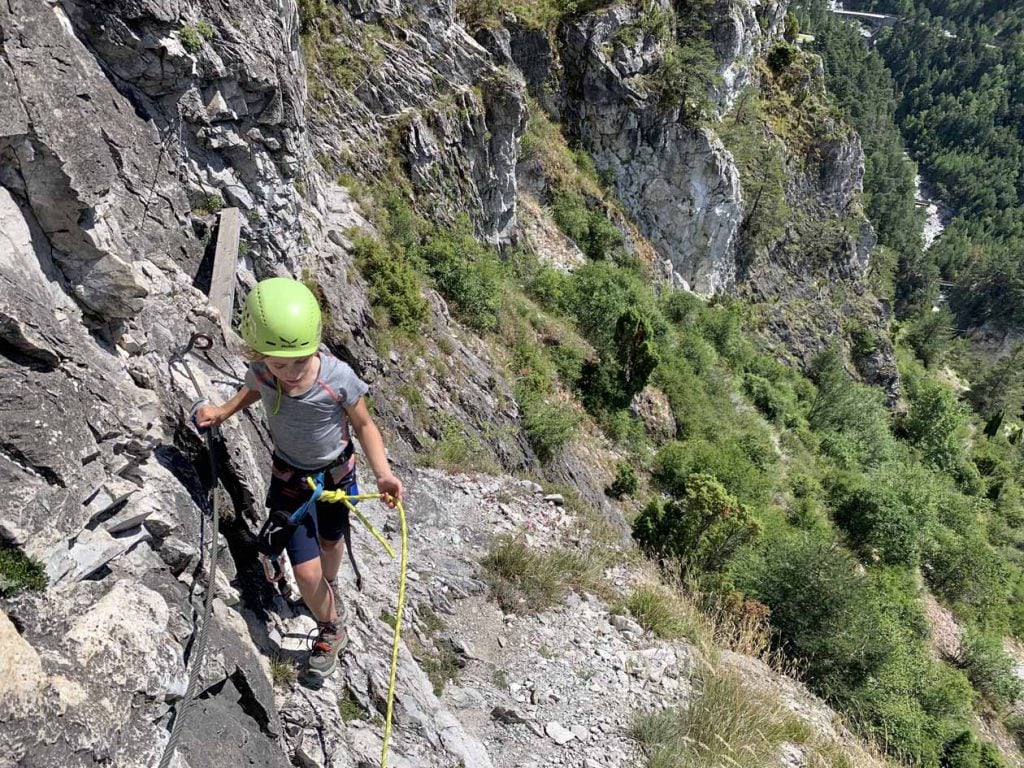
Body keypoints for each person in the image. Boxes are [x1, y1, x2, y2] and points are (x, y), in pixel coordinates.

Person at [195, 276, 403, 677]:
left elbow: (364, 426)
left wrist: (384, 475)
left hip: (337, 480)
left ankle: (330, 585)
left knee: (332, 543)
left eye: (299, 362)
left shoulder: (337, 378)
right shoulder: (263, 371)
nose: (289, 373)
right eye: (278, 364)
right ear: (260, 354)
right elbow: (254, 390)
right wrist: (222, 411)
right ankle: (332, 625)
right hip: (291, 481)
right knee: (306, 573)